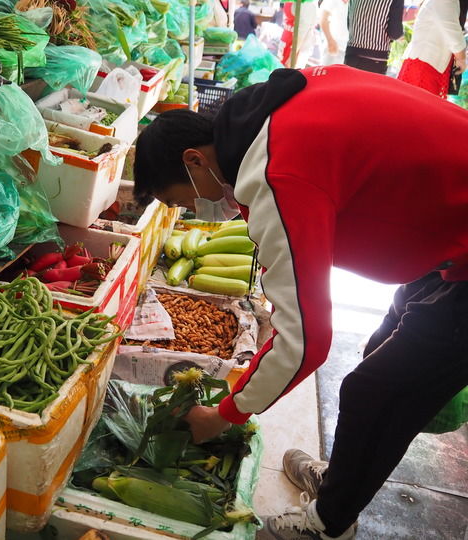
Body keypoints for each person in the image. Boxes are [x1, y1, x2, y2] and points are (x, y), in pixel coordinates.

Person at [133, 65, 468, 540]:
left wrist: (224, 413)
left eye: (185, 201)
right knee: (384, 346)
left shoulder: (277, 168)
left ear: (194, 160)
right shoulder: (269, 111)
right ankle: (342, 482)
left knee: (376, 393)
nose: (195, 211)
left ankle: (327, 526)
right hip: (450, 234)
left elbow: (305, 341)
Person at [397, 0, 468, 98]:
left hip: (426, 64)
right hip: (425, 67)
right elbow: (451, 30)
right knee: (418, 108)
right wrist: (461, 58)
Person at [344, 0, 405, 74]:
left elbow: (349, 25)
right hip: (375, 59)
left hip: (351, 55)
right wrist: (401, 36)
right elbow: (395, 33)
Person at [277, 1, 319, 68]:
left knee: (290, 74)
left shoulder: (308, 3)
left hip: (296, 48)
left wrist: (291, 57)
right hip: (285, 43)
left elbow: (302, 32)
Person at [319, 0, 349, 65]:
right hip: (332, 46)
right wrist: (330, 40)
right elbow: (323, 20)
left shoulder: (352, 4)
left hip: (346, 49)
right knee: (325, 72)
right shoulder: (331, 1)